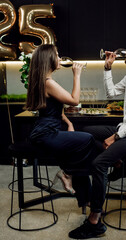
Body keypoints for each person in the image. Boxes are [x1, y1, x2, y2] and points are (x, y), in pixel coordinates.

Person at [68, 37, 126, 239]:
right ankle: (119, 163)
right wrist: (107, 69)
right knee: (87, 133)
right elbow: (110, 94)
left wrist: (115, 137)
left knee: (99, 165)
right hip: (125, 128)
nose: (124, 52)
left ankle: (94, 221)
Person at [25, 44, 98, 197]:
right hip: (46, 134)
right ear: (48, 59)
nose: (59, 58)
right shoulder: (48, 83)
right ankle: (67, 173)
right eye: (57, 55)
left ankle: (85, 197)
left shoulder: (43, 81)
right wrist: (77, 75)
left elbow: (52, 110)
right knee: (88, 139)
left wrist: (69, 123)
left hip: (43, 131)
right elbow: (74, 100)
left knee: (78, 149)